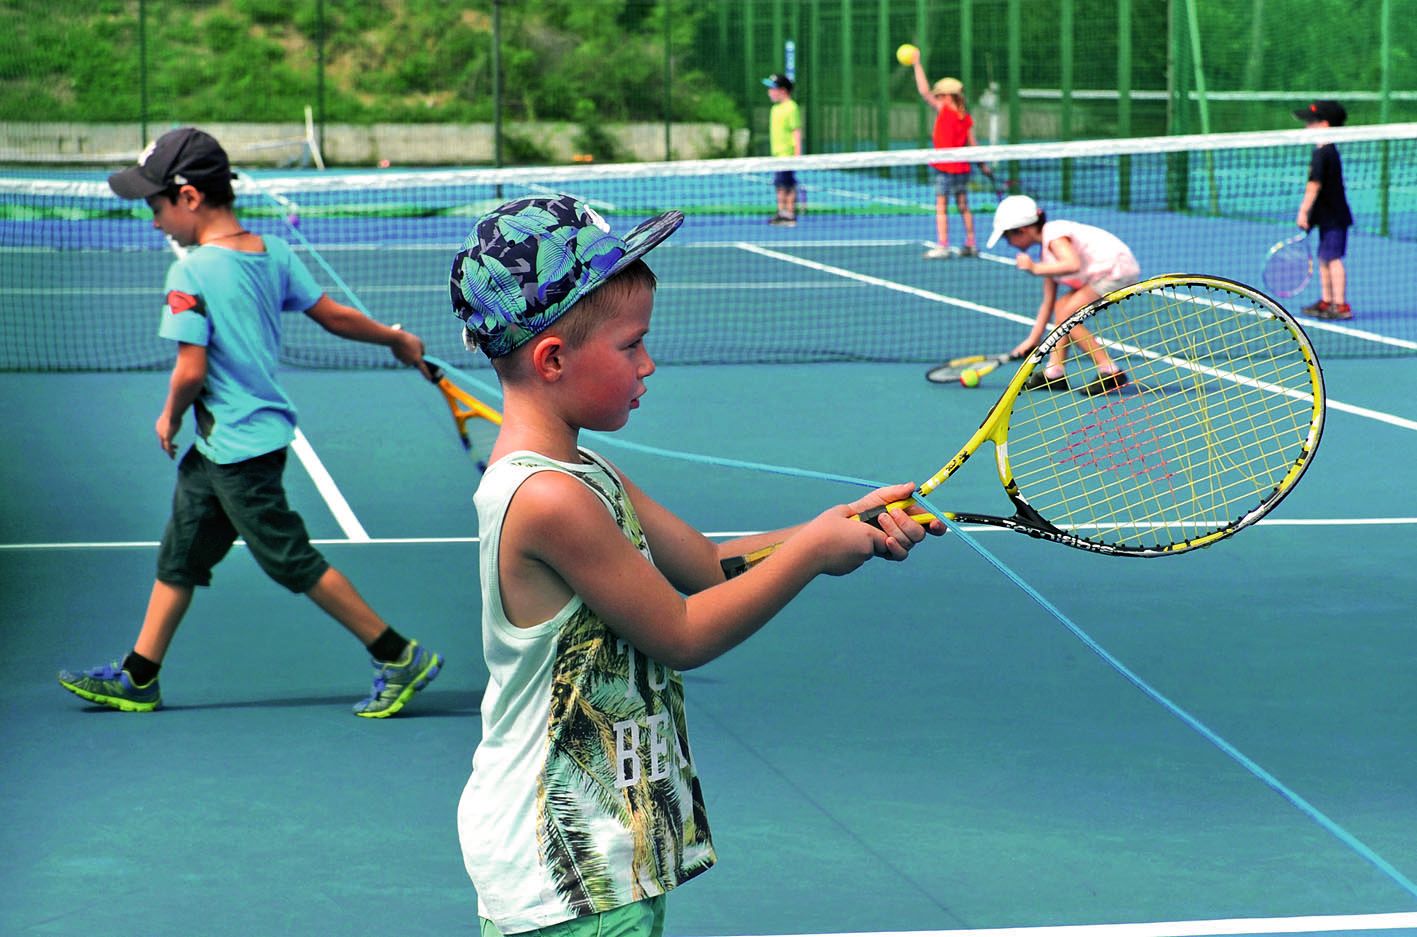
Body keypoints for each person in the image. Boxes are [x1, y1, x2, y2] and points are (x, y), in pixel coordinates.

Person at [449, 194, 942, 937]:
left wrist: (836, 527)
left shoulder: (584, 470)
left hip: (606, 862)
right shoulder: (547, 496)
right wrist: (809, 554)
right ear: (552, 359)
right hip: (566, 878)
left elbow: (709, 567)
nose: (649, 363)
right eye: (630, 346)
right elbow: (680, 631)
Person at [57, 127, 444, 717]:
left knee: (290, 561)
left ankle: (396, 655)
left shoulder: (188, 276)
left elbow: (190, 371)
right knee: (180, 557)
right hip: (221, 449)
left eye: (155, 206)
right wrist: (394, 338)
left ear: (188, 197)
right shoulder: (272, 253)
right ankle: (140, 676)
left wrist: (168, 416)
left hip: (239, 451)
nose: (153, 220)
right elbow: (335, 317)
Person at [987, 194, 1136, 394]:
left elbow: (1072, 263)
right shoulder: (1046, 254)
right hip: (1101, 274)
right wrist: (1032, 340)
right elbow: (1048, 303)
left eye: (1007, 236)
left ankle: (1110, 371)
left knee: (1069, 315)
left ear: (1021, 231)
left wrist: (1034, 268)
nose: (1008, 242)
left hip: (1116, 270)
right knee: (1061, 307)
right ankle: (1054, 373)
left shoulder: (1054, 237)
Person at [911, 55, 984, 258]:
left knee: (941, 207)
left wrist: (917, 63)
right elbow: (974, 145)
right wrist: (983, 165)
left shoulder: (945, 110)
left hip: (946, 169)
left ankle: (942, 245)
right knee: (963, 206)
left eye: (941, 95)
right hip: (962, 169)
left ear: (947, 96)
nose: (938, 98)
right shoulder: (965, 117)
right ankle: (971, 243)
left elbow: (924, 91)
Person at [1293, 99, 1353, 321]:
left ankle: (1341, 305)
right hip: (1327, 216)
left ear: (1325, 124)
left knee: (1333, 258)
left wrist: (1303, 211)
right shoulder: (1324, 151)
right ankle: (1327, 301)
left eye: (1311, 122)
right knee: (1323, 258)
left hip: (1335, 218)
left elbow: (1314, 185)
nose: (1306, 126)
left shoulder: (1323, 153)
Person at [763, 73, 803, 226]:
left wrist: (798, 154)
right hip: (777, 155)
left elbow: (796, 131)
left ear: (783, 90)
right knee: (779, 185)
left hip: (788, 155)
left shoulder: (791, 107)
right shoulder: (775, 109)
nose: (770, 92)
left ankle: (789, 214)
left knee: (787, 185)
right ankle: (782, 212)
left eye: (773, 89)